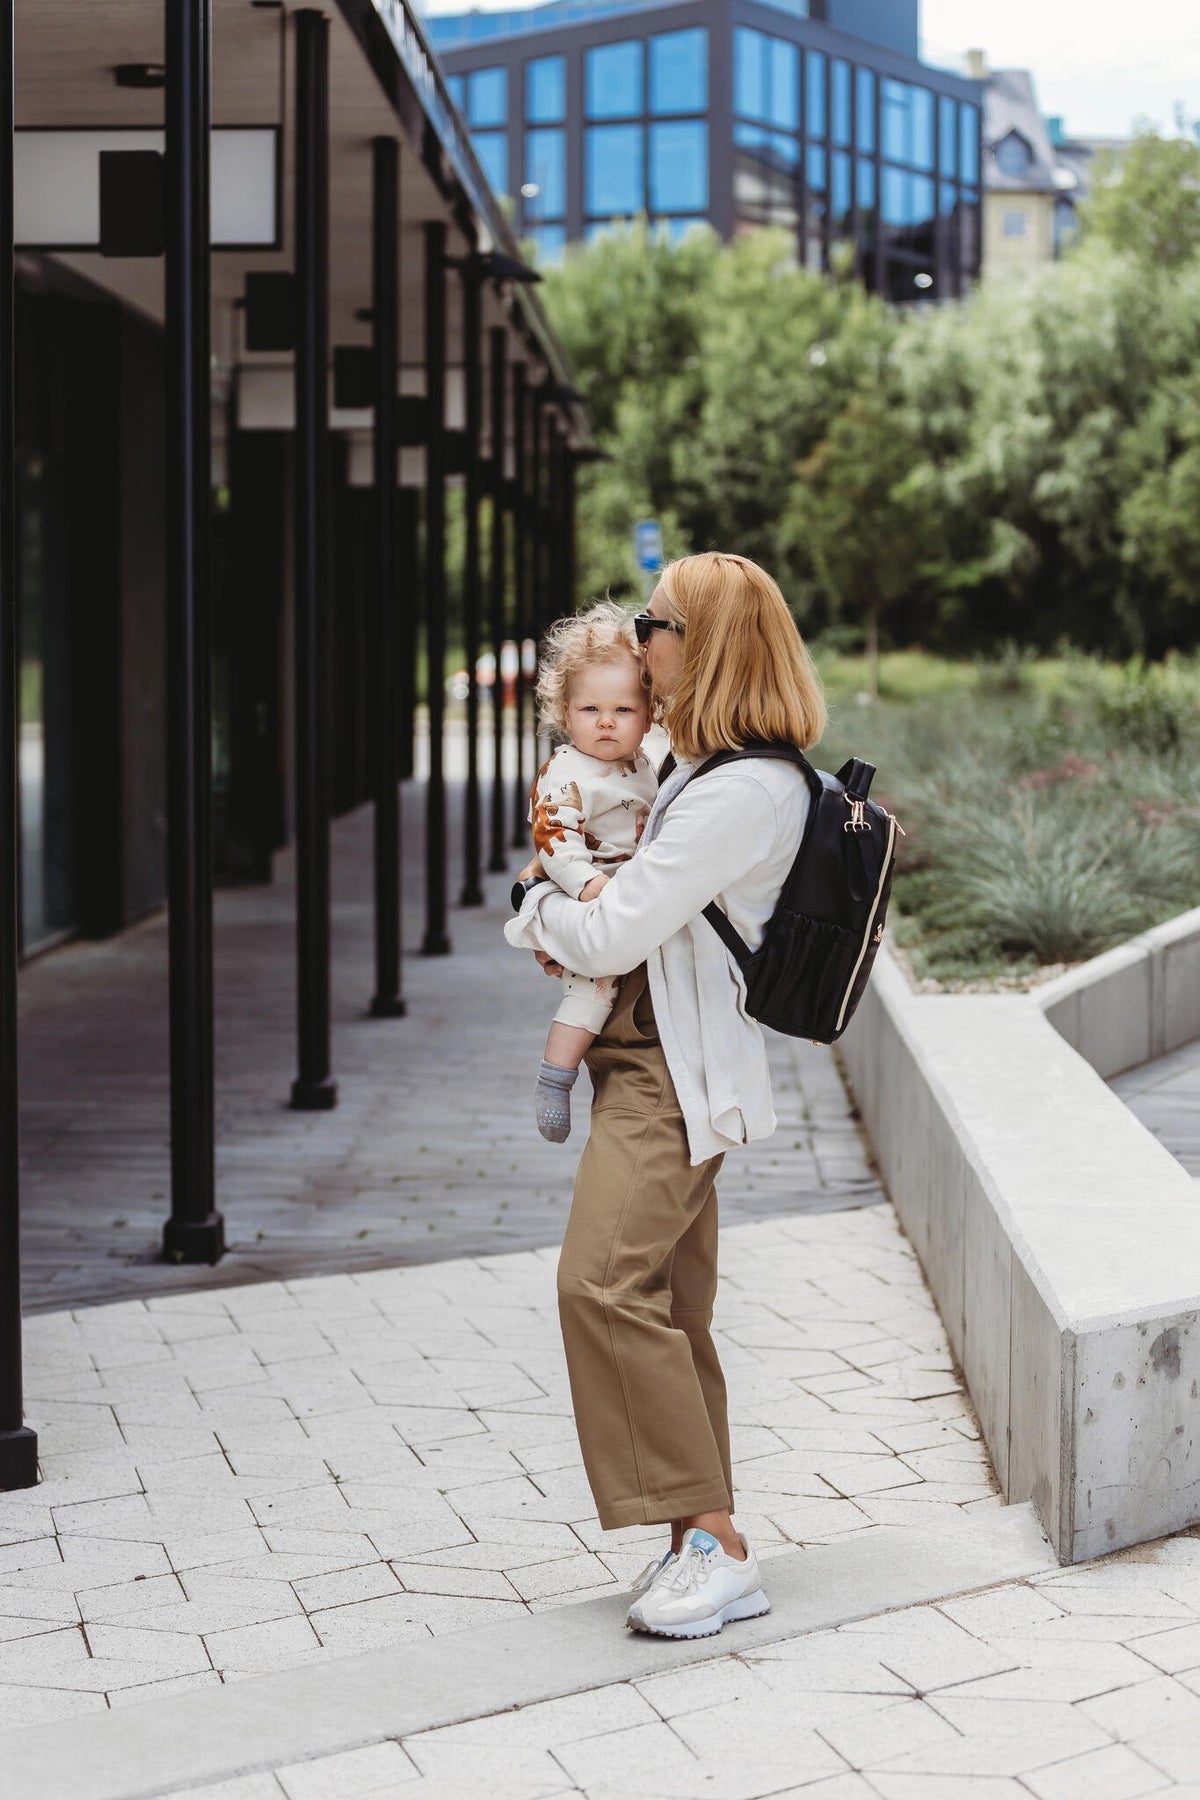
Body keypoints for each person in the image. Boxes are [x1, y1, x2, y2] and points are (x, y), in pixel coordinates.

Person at [506, 551, 827, 1640]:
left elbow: (608, 927)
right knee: (670, 1310)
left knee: (601, 1287)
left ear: (701, 646)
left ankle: (716, 1547)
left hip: (666, 1075)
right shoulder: (711, 769)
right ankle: (703, 1534)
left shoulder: (739, 791)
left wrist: (529, 909)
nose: (640, 640)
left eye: (655, 623)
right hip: (648, 1058)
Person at [504, 603, 658, 1142]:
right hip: (584, 881)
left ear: (648, 714)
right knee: (592, 989)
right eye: (590, 708)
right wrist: (589, 886)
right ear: (565, 713)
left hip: (632, 883)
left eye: (624, 709)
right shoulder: (566, 771)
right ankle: (555, 1076)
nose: (607, 722)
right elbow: (554, 837)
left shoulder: (647, 762)